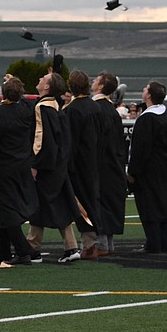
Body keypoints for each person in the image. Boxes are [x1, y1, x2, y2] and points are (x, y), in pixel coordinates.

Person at [0, 75, 37, 266]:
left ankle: (23, 250)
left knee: (4, 209)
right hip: (22, 164)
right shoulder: (26, 110)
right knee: (5, 209)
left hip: (2, 166)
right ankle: (2, 251)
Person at [126, 81, 167, 254]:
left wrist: (132, 171)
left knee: (150, 206)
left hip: (149, 169)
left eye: (146, 88)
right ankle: (163, 242)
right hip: (164, 166)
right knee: (162, 206)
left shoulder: (147, 118)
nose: (143, 89)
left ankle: (153, 244)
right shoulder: (164, 115)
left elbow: (140, 149)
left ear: (149, 95)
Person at [27, 72, 79, 264]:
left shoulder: (41, 107)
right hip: (59, 164)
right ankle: (69, 245)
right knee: (58, 205)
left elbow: (40, 140)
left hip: (46, 166)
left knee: (40, 205)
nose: (39, 79)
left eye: (43, 79)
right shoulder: (58, 107)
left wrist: (35, 163)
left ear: (47, 87)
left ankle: (33, 248)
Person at [63, 70, 103, 260]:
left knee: (82, 204)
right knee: (92, 199)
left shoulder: (72, 110)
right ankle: (93, 242)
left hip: (78, 164)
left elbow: (70, 142)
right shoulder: (95, 107)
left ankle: (89, 244)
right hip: (94, 161)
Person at [90, 71, 127, 256]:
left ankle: (102, 244)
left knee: (100, 202)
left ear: (102, 86)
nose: (93, 81)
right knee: (110, 202)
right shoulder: (111, 110)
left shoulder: (97, 109)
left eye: (97, 79)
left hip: (101, 164)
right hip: (114, 163)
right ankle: (108, 243)